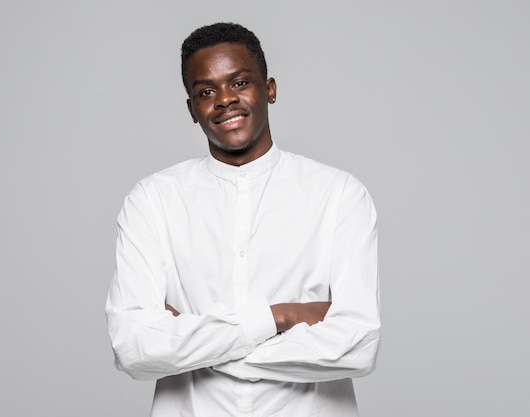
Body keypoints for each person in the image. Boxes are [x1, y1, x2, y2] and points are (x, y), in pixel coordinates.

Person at [106, 22, 380, 416]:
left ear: (269, 89)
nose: (224, 100)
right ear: (191, 110)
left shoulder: (339, 195)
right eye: (205, 91)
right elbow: (133, 348)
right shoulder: (152, 201)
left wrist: (197, 346)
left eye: (239, 83)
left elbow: (358, 344)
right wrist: (279, 316)